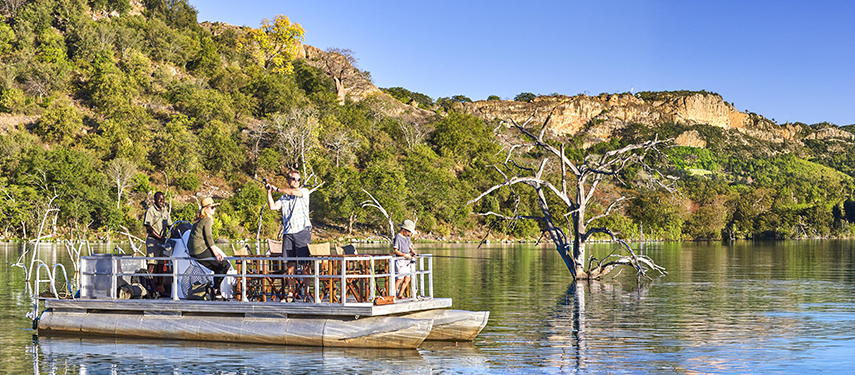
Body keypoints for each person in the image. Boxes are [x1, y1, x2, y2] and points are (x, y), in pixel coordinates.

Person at [266, 170, 312, 302]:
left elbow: (292, 192)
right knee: (289, 264)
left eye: (298, 179)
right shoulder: (284, 197)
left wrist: (278, 189)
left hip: (302, 231)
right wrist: (269, 192)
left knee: (305, 264)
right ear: (288, 180)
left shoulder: (304, 192)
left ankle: (307, 294)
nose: (296, 181)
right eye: (293, 179)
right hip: (288, 232)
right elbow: (273, 207)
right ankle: (290, 293)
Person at [187, 197, 231, 298]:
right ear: (206, 209)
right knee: (225, 265)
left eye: (214, 207)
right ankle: (215, 289)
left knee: (218, 268)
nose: (214, 209)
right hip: (200, 250)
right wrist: (217, 254)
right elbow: (209, 237)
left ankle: (217, 293)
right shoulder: (206, 220)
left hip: (194, 252)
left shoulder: (199, 220)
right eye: (212, 207)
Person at [143, 192, 172, 274]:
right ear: (155, 199)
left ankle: (159, 285)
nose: (162, 201)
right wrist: (159, 237)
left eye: (163, 199)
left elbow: (170, 225)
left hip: (163, 242)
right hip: (153, 241)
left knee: (161, 265)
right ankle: (149, 284)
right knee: (152, 264)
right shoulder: (150, 211)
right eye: (160, 199)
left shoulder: (165, 211)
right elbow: (148, 227)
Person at [393, 219, 418, 299]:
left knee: (407, 279)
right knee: (399, 279)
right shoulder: (398, 237)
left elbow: (410, 246)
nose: (409, 234)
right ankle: (393, 295)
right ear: (404, 229)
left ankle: (400, 294)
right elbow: (395, 250)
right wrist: (404, 255)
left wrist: (413, 252)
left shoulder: (407, 237)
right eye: (409, 232)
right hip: (400, 261)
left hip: (407, 261)